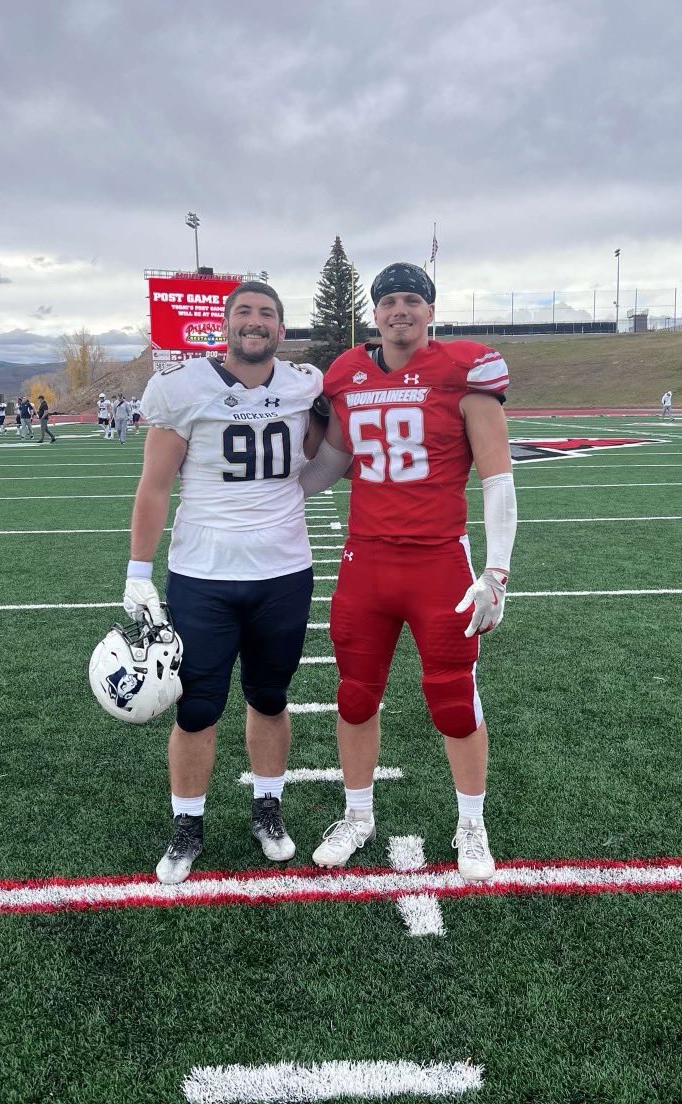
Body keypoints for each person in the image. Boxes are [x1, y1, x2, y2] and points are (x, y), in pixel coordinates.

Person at [299, 262, 517, 883]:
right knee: (356, 693)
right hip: (366, 560)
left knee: (452, 699)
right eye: (389, 300)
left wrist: (496, 571)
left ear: (429, 311)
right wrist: (251, 485)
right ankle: (357, 813)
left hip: (437, 561)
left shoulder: (463, 370)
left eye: (411, 301)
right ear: (375, 312)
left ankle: (471, 821)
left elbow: (497, 478)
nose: (400, 310)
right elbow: (328, 468)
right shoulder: (346, 373)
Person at [122, 281, 325, 884]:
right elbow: (154, 486)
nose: (255, 322)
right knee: (197, 708)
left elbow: (322, 454)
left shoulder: (301, 385)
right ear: (226, 324)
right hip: (203, 575)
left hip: (283, 571)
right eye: (244, 313)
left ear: (281, 330)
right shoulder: (183, 389)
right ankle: (188, 821)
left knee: (269, 697)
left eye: (266, 314)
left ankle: (268, 806)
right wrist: (138, 571)